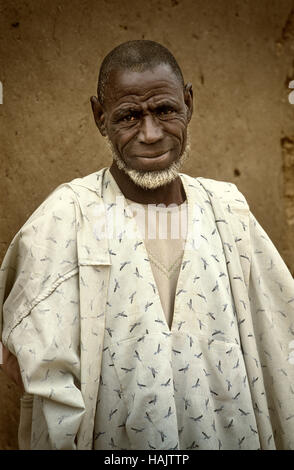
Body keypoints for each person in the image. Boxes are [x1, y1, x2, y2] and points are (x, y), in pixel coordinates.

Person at [0, 40, 294, 451]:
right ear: (100, 118)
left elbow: (280, 336)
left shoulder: (227, 210)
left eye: (165, 110)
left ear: (188, 102)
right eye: (129, 116)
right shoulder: (68, 215)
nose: (151, 133)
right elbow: (19, 353)